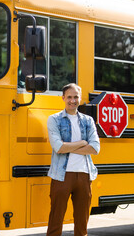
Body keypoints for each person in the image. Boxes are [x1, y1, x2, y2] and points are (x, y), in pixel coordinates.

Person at [46, 83, 100, 236]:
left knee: (82, 225)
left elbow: (95, 148)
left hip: (84, 175)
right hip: (61, 176)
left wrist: (69, 147)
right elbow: (58, 147)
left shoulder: (88, 121)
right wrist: (83, 143)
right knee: (55, 222)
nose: (72, 100)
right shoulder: (54, 120)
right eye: (69, 97)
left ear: (80, 98)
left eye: (75, 97)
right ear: (63, 98)